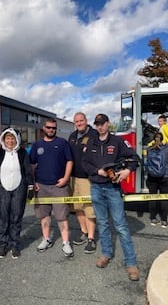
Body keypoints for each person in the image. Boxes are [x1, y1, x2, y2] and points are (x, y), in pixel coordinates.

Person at [81, 114, 140, 281]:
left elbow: (135, 159)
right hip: (96, 188)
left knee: (121, 226)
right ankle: (106, 254)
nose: (100, 127)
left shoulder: (118, 141)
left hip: (113, 188)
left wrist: (127, 170)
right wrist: (96, 171)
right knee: (102, 223)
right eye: (97, 124)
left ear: (108, 124)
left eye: (102, 124)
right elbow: (84, 163)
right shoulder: (91, 142)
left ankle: (131, 263)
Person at [30, 118, 74, 257]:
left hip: (58, 186)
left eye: (54, 128)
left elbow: (69, 161)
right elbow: (31, 164)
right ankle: (46, 239)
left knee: (62, 217)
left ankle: (66, 243)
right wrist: (34, 181)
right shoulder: (37, 145)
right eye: (49, 127)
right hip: (41, 186)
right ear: (44, 128)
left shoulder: (62, 143)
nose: (51, 130)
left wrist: (66, 178)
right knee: (44, 215)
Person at [0, 128, 34, 259]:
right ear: (3, 139)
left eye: (12, 138)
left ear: (17, 139)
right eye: (7, 138)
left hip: (19, 187)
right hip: (1, 187)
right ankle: (3, 244)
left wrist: (30, 187)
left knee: (16, 217)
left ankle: (15, 244)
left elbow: (27, 170)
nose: (10, 141)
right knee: (3, 216)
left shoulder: (22, 153)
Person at [68, 112, 97, 253]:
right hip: (73, 178)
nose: (79, 123)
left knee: (89, 209)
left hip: (87, 179)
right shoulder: (72, 136)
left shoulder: (94, 135)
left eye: (81, 120)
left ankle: (91, 239)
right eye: (76, 121)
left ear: (86, 120)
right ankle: (84, 232)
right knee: (77, 207)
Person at [146, 132, 168, 227]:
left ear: (154, 139)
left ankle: (153, 218)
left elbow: (147, 163)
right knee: (164, 198)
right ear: (162, 139)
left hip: (151, 177)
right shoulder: (166, 149)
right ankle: (164, 220)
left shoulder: (149, 150)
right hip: (165, 176)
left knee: (152, 197)